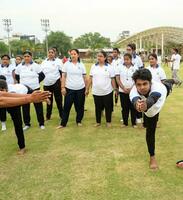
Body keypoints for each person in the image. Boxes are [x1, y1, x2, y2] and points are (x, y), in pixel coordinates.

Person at [130, 68, 173, 170]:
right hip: (151, 107)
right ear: (135, 85)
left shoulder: (158, 89)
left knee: (168, 86)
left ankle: (171, 82)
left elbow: (152, 99)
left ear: (150, 82)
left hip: (164, 91)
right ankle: (152, 156)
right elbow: (135, 99)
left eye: (145, 84)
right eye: (139, 84)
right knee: (150, 130)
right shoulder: (133, 91)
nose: (142, 87)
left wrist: (145, 105)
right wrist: (137, 104)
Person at [0, 75, 50, 155]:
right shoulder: (4, 92)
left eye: (3, 91)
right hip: (15, 95)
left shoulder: (13, 91)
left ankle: (22, 147)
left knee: (18, 123)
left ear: (4, 89)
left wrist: (40, 97)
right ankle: (4, 124)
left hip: (26, 90)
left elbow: (31, 95)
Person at [15, 51, 45, 131]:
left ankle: (41, 123)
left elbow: (42, 76)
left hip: (35, 89)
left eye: (28, 56)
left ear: (31, 57)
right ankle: (27, 124)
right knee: (25, 107)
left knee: (38, 106)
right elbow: (17, 77)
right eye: (25, 56)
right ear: (23, 57)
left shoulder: (36, 66)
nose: (26, 58)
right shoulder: (19, 67)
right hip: (24, 90)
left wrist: (35, 82)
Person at [86, 51, 117, 127]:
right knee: (98, 107)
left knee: (108, 107)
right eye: (98, 56)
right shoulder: (94, 66)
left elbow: (113, 79)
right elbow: (90, 78)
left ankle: (108, 122)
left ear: (105, 58)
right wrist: (87, 89)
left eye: (101, 56)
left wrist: (115, 89)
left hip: (107, 91)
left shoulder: (109, 67)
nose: (99, 58)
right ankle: (98, 122)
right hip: (96, 91)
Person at [57, 49, 87, 128]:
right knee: (66, 107)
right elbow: (63, 76)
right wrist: (63, 87)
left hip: (80, 89)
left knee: (80, 106)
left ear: (78, 55)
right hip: (69, 88)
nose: (73, 55)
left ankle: (79, 121)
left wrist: (86, 89)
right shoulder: (66, 64)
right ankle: (63, 123)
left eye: (74, 54)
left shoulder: (81, 65)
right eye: (72, 54)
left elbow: (84, 77)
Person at [116, 53, 138, 128]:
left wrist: (132, 88)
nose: (126, 61)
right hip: (123, 91)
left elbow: (137, 79)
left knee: (133, 107)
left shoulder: (135, 67)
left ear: (131, 59)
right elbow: (117, 79)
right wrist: (123, 88)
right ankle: (125, 123)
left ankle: (134, 123)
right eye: (124, 59)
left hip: (133, 91)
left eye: (127, 59)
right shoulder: (119, 67)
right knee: (124, 107)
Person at [41, 48, 63, 121]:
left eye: (52, 52)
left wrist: (62, 83)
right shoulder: (44, 62)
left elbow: (62, 73)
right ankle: (48, 116)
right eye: (49, 52)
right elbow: (41, 73)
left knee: (58, 100)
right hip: (47, 84)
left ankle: (62, 116)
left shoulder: (58, 61)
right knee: (48, 100)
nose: (50, 54)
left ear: (55, 53)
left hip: (56, 83)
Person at [126, 44, 144, 124]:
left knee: (137, 99)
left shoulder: (138, 59)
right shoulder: (124, 58)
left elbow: (141, 70)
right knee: (127, 102)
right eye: (127, 49)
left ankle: (139, 116)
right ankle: (127, 117)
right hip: (127, 84)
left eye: (129, 49)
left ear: (133, 50)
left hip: (136, 83)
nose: (127, 51)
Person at [0, 54, 16, 131]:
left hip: (10, 89)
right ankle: (3, 124)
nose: (5, 60)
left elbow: (14, 78)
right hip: (1, 90)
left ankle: (14, 118)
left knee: (12, 104)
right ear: (1, 60)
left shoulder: (12, 67)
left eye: (6, 59)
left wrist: (15, 85)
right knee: (2, 106)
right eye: (3, 59)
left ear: (9, 60)